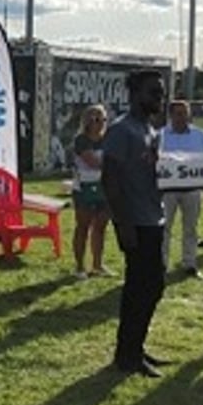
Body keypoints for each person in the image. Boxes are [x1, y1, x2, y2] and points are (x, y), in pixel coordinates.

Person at [101, 70, 167, 377]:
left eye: (161, 93)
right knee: (140, 288)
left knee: (153, 286)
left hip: (154, 217)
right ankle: (126, 354)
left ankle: (135, 347)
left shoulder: (150, 130)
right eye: (154, 92)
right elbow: (110, 180)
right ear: (135, 93)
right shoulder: (121, 130)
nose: (160, 99)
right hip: (135, 221)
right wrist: (123, 224)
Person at [160, 99, 203, 278]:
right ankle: (161, 264)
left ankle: (190, 263)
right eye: (178, 113)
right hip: (167, 190)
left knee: (191, 228)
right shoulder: (160, 135)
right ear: (170, 115)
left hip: (192, 189)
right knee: (164, 228)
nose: (182, 116)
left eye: (185, 112)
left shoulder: (201, 136)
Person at [71, 104, 112, 279]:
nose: (100, 123)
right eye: (96, 119)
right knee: (83, 226)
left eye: (103, 119)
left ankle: (97, 264)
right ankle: (80, 266)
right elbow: (93, 162)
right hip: (84, 188)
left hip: (105, 187)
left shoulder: (109, 139)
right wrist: (117, 165)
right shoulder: (81, 140)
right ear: (87, 121)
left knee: (101, 226)